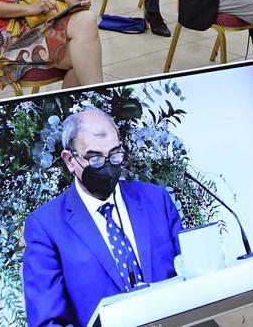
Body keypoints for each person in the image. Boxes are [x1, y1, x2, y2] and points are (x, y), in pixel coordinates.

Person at [23, 107, 180, 327]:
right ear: (70, 161)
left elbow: (191, 272)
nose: (107, 166)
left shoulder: (155, 200)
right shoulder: (46, 226)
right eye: (95, 159)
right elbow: (47, 320)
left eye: (115, 154)